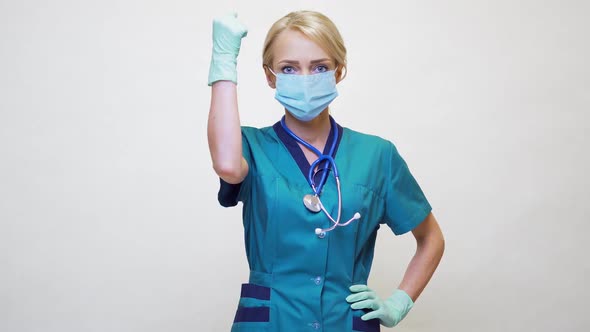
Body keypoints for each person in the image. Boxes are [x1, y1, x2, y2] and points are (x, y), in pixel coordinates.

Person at [207, 10, 445, 332]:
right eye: (289, 68)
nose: (305, 79)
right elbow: (227, 165)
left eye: (319, 67)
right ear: (270, 76)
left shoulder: (377, 155)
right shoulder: (250, 145)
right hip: (271, 323)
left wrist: (398, 303)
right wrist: (224, 59)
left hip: (344, 323)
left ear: (339, 71)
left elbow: (431, 238)